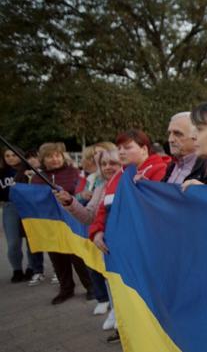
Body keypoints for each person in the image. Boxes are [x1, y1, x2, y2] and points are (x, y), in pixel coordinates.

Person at [88, 129, 167, 343]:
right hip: (120, 251)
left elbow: (160, 210)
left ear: (144, 148)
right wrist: (97, 231)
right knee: (126, 295)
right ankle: (129, 331)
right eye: (119, 147)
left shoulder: (159, 170)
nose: (121, 152)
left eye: (128, 147)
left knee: (147, 297)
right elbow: (104, 209)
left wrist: (143, 189)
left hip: (146, 252)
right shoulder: (119, 176)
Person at [54, 148, 122, 317]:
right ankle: (116, 313)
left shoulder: (132, 184)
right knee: (111, 281)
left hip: (126, 247)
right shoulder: (101, 188)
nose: (107, 167)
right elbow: (88, 216)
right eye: (103, 164)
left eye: (112, 163)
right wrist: (70, 202)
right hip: (108, 248)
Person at [31, 142, 93, 304]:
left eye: (57, 155)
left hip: (72, 222)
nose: (55, 159)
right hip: (52, 224)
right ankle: (66, 288)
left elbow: (79, 192)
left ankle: (91, 287)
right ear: (43, 159)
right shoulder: (37, 177)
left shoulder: (74, 172)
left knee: (78, 256)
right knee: (57, 258)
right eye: (50, 156)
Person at [1, 148, 42, 282]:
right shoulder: (2, 172)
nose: (10, 158)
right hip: (10, 206)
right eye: (7, 156)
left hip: (28, 205)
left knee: (32, 238)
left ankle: (33, 267)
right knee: (13, 242)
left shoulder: (29, 169)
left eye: (14, 155)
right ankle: (17, 270)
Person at [162, 112, 207, 184]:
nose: (170, 139)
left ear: (196, 136)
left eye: (177, 134)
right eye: (169, 133)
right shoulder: (172, 166)